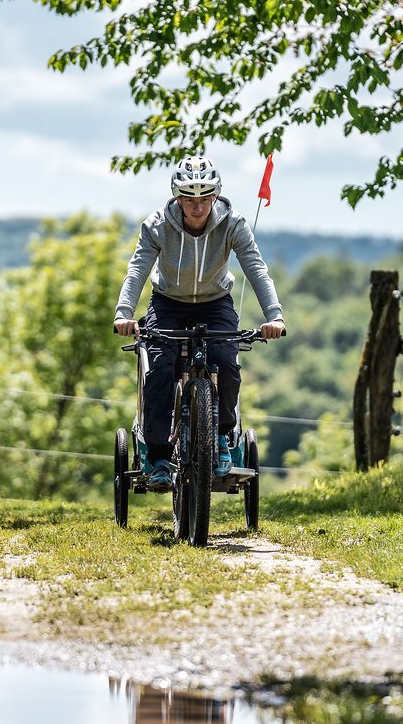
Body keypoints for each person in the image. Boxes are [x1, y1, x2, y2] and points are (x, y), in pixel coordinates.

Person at [113, 155, 285, 491]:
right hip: (168, 303)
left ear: (215, 195)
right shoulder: (157, 225)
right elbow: (138, 269)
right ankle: (160, 456)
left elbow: (255, 267)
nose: (198, 207)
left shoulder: (233, 223)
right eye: (190, 199)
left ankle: (221, 437)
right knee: (160, 369)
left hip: (215, 303)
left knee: (227, 363)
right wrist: (123, 312)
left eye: (205, 198)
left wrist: (274, 316)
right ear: (178, 197)